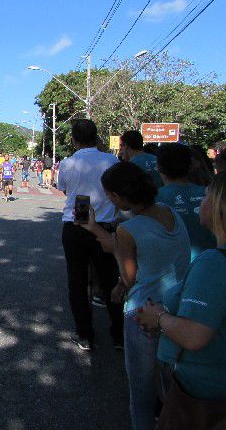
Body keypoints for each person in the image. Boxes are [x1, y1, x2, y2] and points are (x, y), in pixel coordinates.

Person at [79, 162, 190, 430]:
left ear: (117, 197)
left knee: (140, 389)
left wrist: (102, 236)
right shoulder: (172, 214)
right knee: (170, 386)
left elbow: (129, 276)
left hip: (142, 313)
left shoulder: (129, 229)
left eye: (108, 194)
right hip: (175, 309)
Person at [138, 172, 226, 413]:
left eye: (206, 196)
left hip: (201, 391)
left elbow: (194, 335)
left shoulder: (213, 263)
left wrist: (157, 317)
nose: (201, 201)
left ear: (219, 208)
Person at [58, 119, 123, 351]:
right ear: (96, 137)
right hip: (105, 226)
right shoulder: (112, 160)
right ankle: (119, 336)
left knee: (77, 281)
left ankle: (85, 335)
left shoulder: (67, 163)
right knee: (109, 280)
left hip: (76, 222)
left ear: (74, 140)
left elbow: (63, 188)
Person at [156, 143, 217, 261]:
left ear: (159, 167)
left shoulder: (152, 199)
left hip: (172, 272)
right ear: (190, 165)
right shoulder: (212, 195)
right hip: (209, 264)